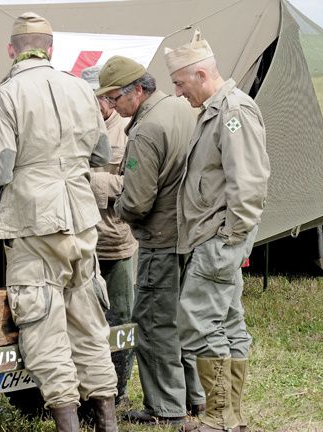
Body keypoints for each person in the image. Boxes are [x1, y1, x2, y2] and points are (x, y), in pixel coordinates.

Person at [0, 12, 119, 432]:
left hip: (33, 223)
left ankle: (68, 424)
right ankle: (108, 422)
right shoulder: (80, 88)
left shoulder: (8, 94)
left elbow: (0, 169)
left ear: (11, 50)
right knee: (89, 321)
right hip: (81, 218)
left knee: (44, 328)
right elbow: (100, 154)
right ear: (51, 49)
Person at [165, 29, 270, 432]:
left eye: (179, 82)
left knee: (200, 322)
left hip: (217, 238)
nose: (177, 93)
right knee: (227, 321)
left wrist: (230, 238)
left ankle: (219, 417)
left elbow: (248, 182)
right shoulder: (216, 109)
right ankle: (230, 416)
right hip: (216, 237)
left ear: (201, 75)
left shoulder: (232, 112)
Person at [95, 55, 203, 425]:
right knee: (182, 318)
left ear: (137, 91)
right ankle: (193, 397)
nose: (112, 106)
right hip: (188, 232)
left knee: (154, 324)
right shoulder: (179, 108)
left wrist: (116, 207)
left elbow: (137, 202)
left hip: (159, 238)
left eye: (115, 98)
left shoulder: (145, 130)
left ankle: (166, 408)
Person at [81, 65, 138, 406]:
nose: (95, 103)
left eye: (99, 97)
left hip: (115, 239)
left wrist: (90, 181)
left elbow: (135, 184)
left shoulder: (129, 133)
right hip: (82, 240)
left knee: (119, 316)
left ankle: (118, 390)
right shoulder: (77, 130)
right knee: (85, 319)